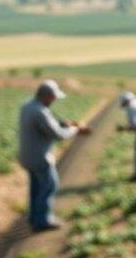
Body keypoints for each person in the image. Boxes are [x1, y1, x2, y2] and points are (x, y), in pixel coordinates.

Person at [18, 80, 90, 231]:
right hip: (40, 157)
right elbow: (58, 135)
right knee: (50, 185)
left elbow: (48, 124)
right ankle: (43, 221)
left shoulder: (28, 106)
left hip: (27, 156)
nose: (55, 100)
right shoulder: (41, 112)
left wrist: (65, 123)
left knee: (36, 187)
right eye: (54, 97)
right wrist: (76, 130)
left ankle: (34, 217)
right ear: (46, 96)